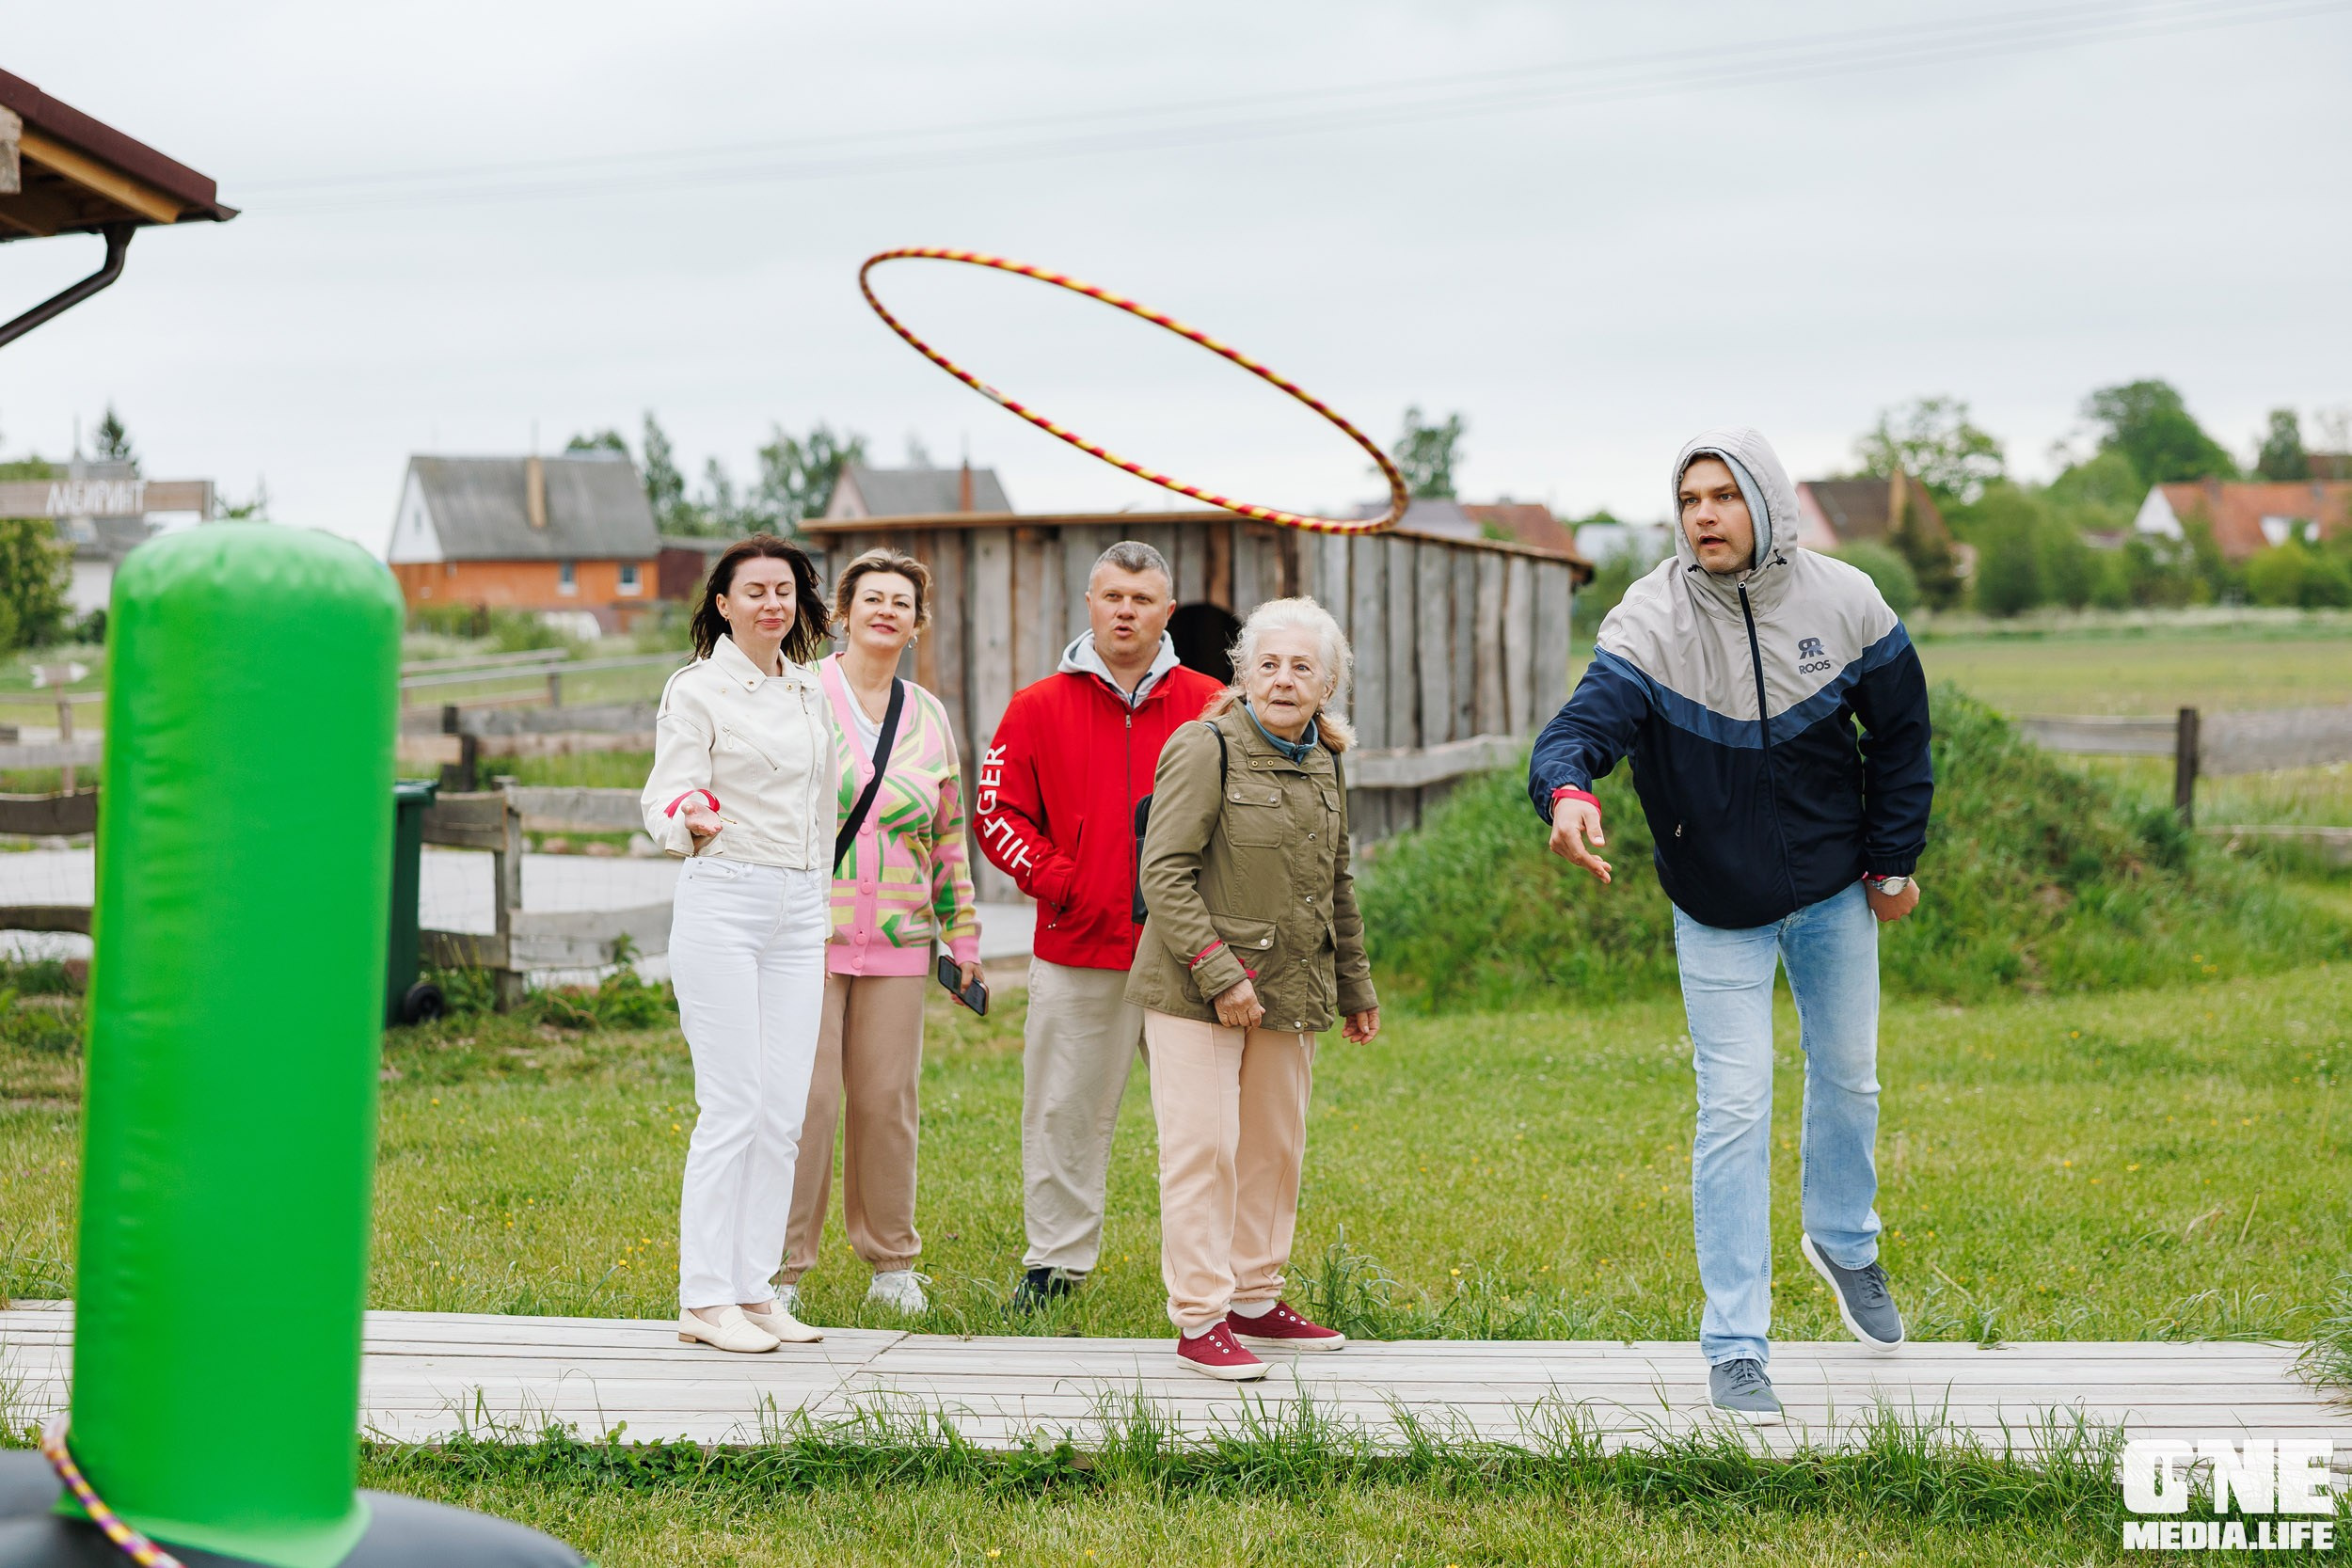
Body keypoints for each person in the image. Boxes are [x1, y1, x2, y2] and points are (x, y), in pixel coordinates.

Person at [1527, 428, 1933, 1424]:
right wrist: (1567, 791)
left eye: (1721, 495)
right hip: (1715, 901)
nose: (1703, 514)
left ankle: (1844, 1237)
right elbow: (1580, 726)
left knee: (1850, 1076)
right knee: (1735, 1109)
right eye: (1688, 500)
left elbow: (1903, 733)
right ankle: (1736, 1343)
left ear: (1765, 503)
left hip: (1835, 887)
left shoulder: (1844, 600)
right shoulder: (1650, 619)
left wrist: (1891, 858)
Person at [1128, 596, 1379, 1381]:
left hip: (1291, 989)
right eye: (1268, 664)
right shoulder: (1205, 747)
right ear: (1242, 673)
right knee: (1203, 1149)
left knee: (1273, 1149)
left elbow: (1335, 880)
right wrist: (1220, 974)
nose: (1283, 679)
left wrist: (1356, 985)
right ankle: (1201, 1317)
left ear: (1328, 682)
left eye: (1302, 666)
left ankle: (1255, 1296)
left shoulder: (1327, 760)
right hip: (1197, 987)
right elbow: (1162, 873)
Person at [973, 540, 1224, 1310]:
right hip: (1079, 944)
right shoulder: (1036, 706)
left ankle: (1220, 1272)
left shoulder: (1211, 701)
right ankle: (1054, 1264)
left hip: (1186, 949)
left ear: (1166, 612)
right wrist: (1062, 880)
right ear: (1089, 603)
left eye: (1142, 599)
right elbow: (995, 810)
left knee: (1206, 1121)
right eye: (1112, 596)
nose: (1126, 610)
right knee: (1063, 1111)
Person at [641, 535, 836, 1354]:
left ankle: (755, 1290)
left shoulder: (808, 689)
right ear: (722, 602)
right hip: (725, 899)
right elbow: (666, 791)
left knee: (784, 1111)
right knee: (733, 1104)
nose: (771, 604)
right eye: (753, 590)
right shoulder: (698, 689)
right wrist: (688, 816)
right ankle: (704, 1296)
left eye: (784, 591)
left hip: (801, 909)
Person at [781, 548, 982, 1319]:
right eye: (873, 597)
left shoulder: (928, 716)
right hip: (807, 937)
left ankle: (891, 1263)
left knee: (887, 1100)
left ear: (916, 622)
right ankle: (782, 1269)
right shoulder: (801, 696)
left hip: (899, 943)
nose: (887, 610)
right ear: (842, 611)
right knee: (810, 1099)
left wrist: (962, 945)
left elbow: (950, 840)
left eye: (902, 601)